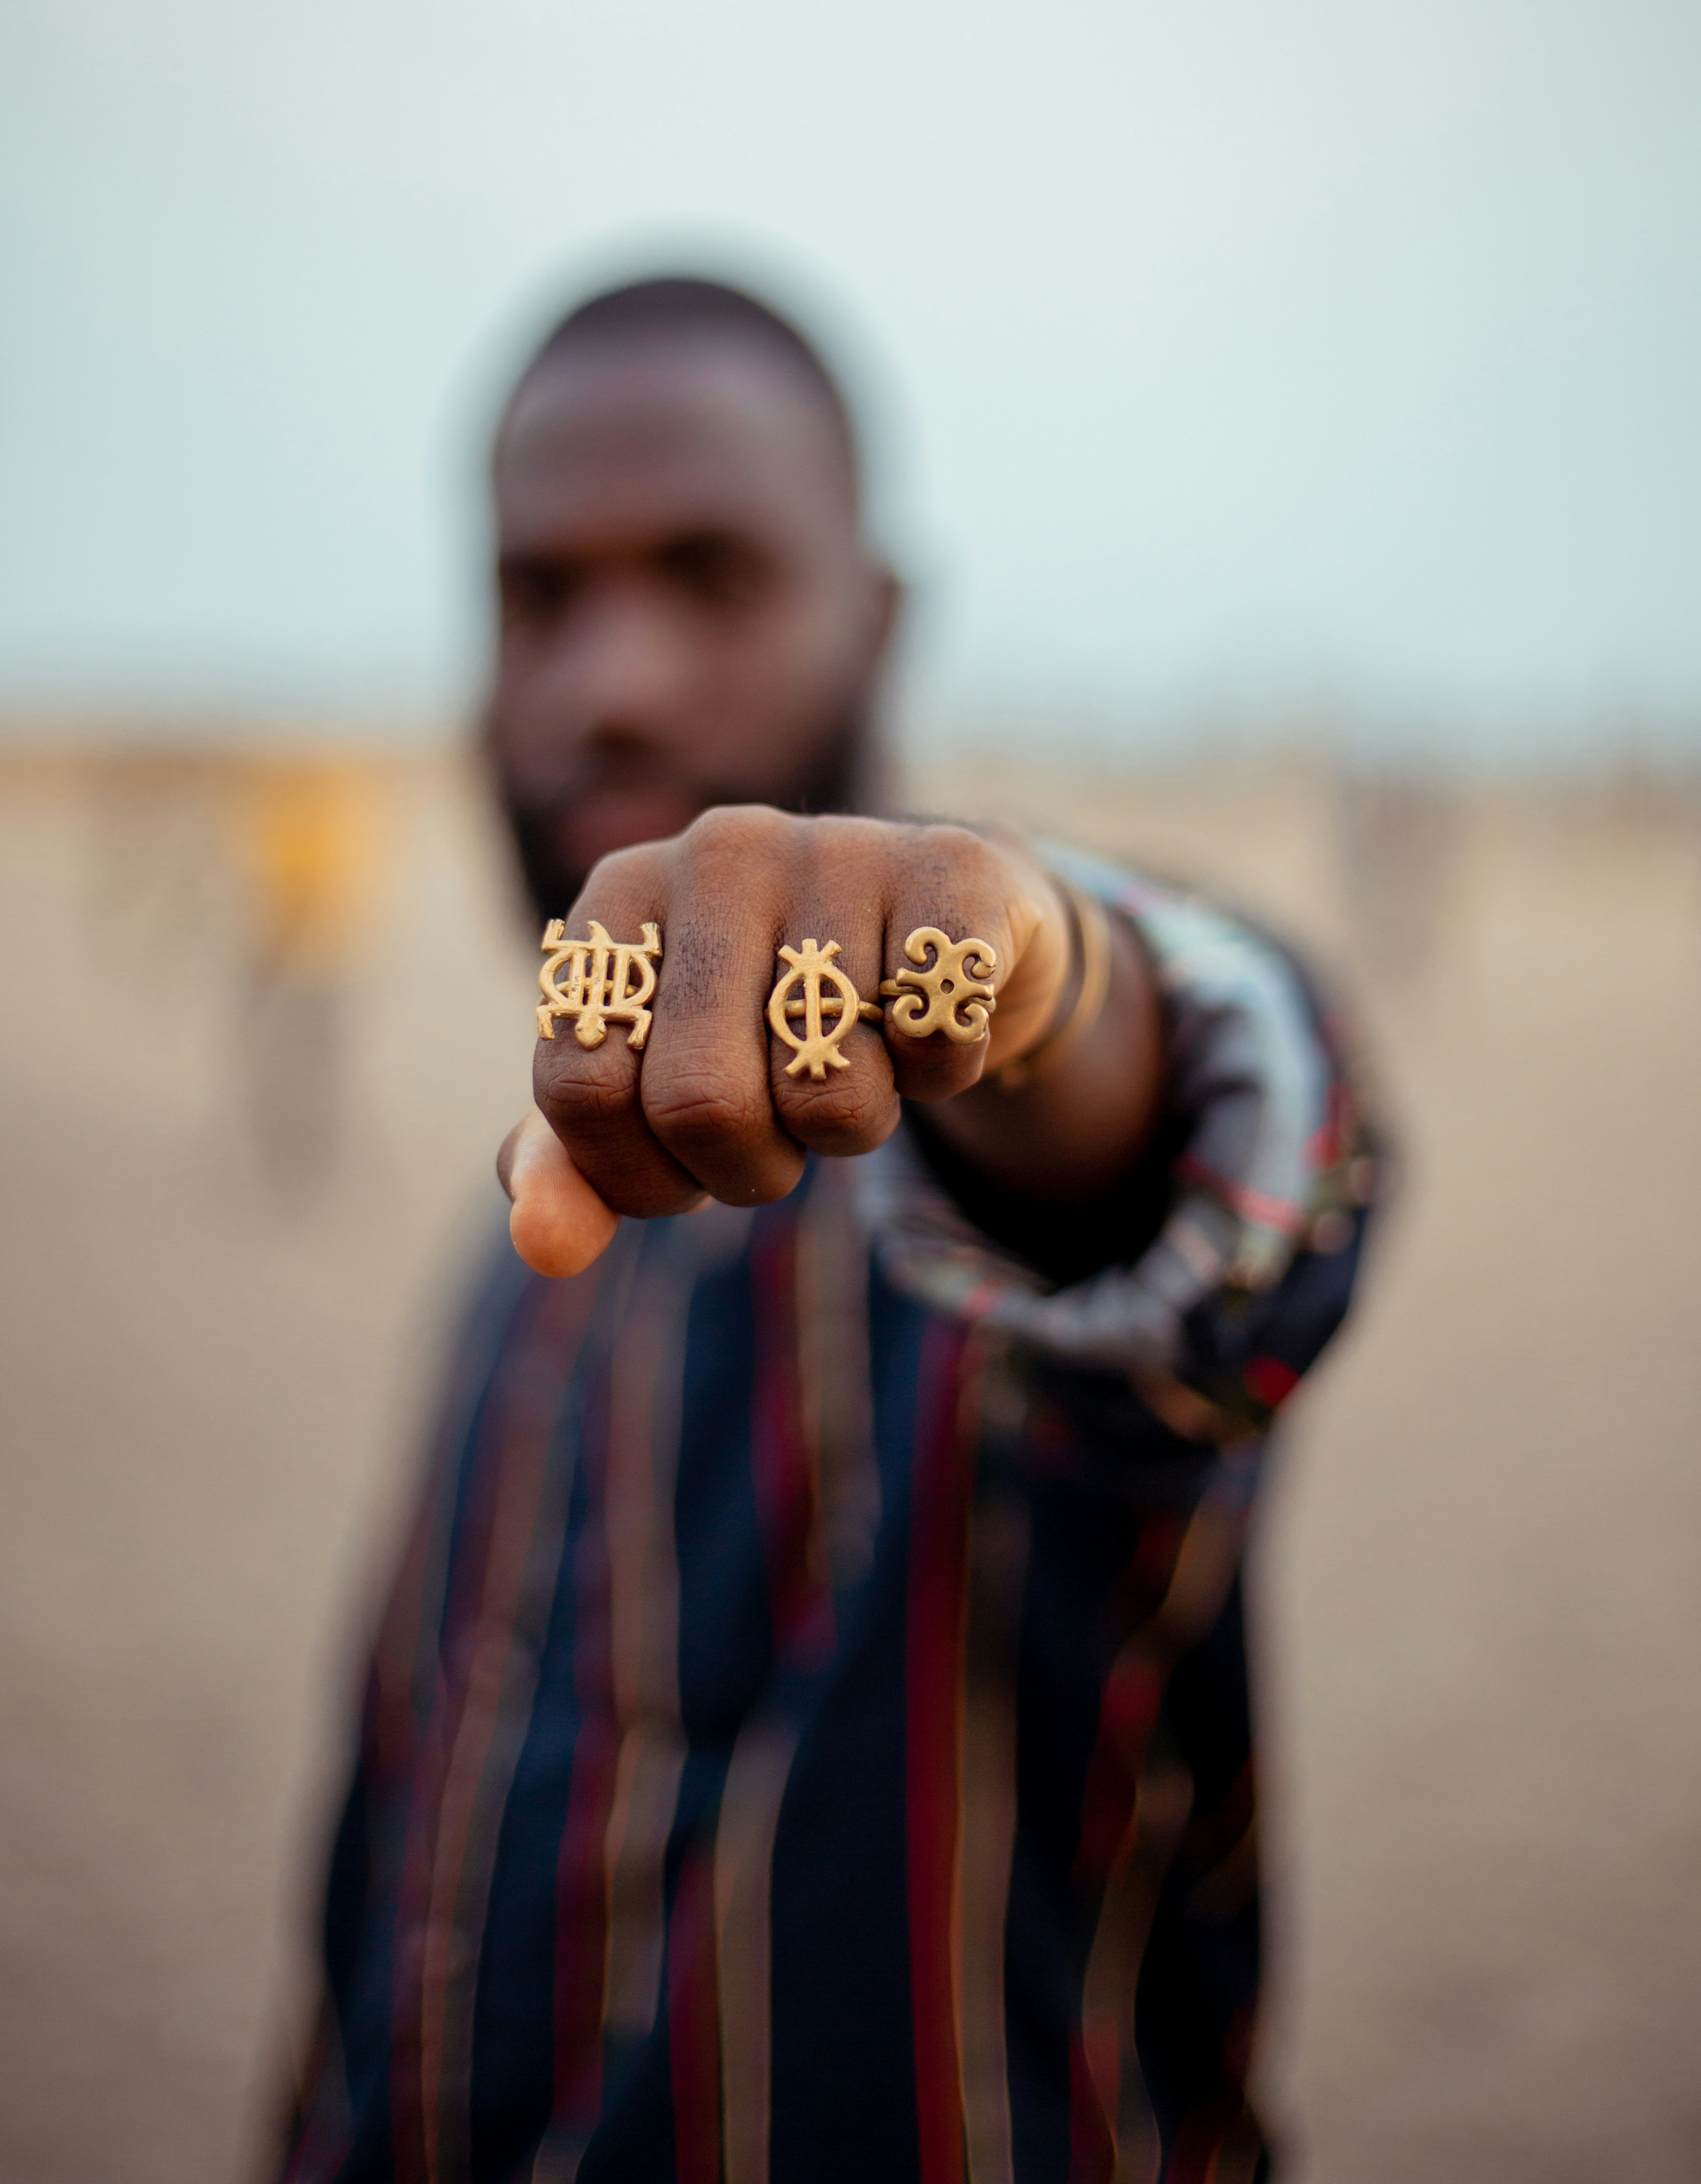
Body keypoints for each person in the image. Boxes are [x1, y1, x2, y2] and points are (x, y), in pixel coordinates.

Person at [282, 277, 1377, 2184]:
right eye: (539, 596)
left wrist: (1041, 984)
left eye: (709, 576)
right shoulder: (518, 1244)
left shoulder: (978, 1157)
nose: (609, 675)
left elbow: (1219, 1128)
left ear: (872, 616)